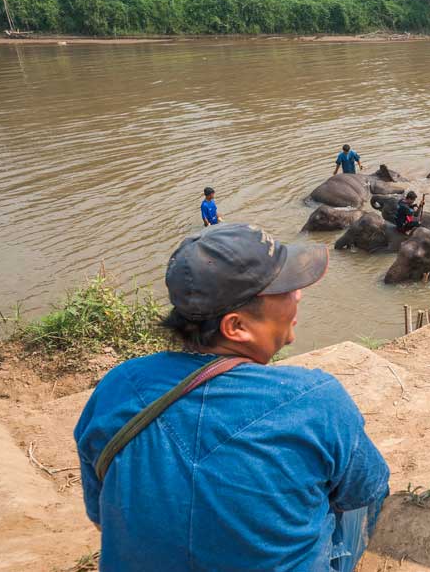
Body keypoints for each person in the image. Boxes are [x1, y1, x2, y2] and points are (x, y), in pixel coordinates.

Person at [74, 224, 388, 572]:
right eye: (285, 290)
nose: (298, 295)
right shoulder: (314, 400)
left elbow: (100, 517)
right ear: (236, 327)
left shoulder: (119, 385)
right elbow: (366, 490)